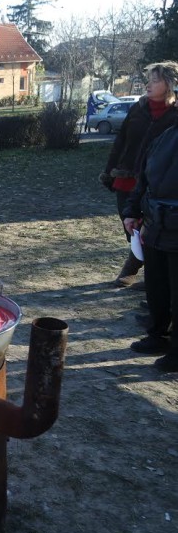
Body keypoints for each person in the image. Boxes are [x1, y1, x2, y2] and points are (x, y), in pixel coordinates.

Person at [99, 62, 178, 288]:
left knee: (155, 230)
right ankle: (144, 268)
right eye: (148, 80)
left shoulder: (175, 114)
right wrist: (109, 172)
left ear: (170, 84)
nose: (148, 84)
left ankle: (141, 272)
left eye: (155, 80)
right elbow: (121, 141)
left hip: (158, 183)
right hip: (128, 179)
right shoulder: (139, 108)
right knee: (131, 226)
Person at [122, 116, 178, 371]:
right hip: (156, 227)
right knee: (157, 288)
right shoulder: (165, 137)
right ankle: (158, 335)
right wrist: (132, 211)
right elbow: (143, 181)